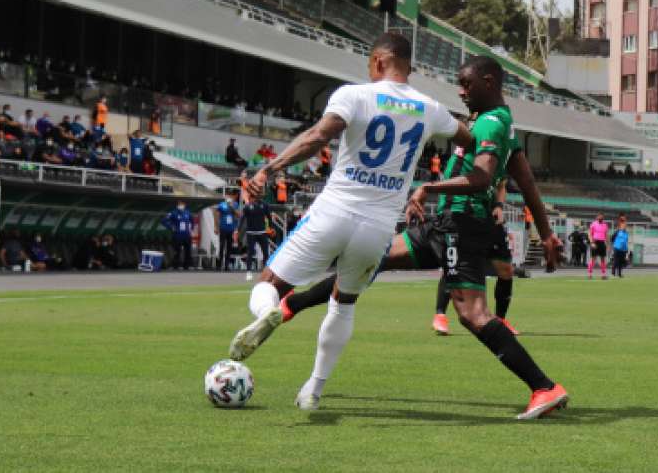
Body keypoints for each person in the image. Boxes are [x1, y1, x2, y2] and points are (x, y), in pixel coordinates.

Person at [270, 56, 569, 419]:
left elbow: (483, 179)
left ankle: (544, 387)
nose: (461, 91)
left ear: (489, 82)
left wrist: (428, 186)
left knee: (472, 314)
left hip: (463, 223)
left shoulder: (492, 123)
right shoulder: (500, 124)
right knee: (373, 258)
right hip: (444, 223)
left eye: (466, 84)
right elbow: (527, 181)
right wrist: (547, 233)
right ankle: (291, 306)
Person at [226, 32, 468, 411]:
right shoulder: (430, 108)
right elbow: (469, 140)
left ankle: (268, 312)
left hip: (335, 212)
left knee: (270, 283)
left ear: (377, 62)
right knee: (344, 303)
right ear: (409, 67)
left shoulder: (354, 95)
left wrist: (269, 169)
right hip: (378, 228)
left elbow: (319, 136)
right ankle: (313, 392)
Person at [430, 178, 520, 336]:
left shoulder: (501, 159)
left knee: (505, 270)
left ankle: (500, 320)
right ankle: (440, 315)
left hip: (490, 217)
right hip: (464, 214)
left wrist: (499, 206)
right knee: (453, 264)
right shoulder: (466, 159)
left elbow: (501, 186)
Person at [239, 195, 271, 271]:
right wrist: (238, 229)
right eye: (251, 198)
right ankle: (249, 271)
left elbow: (269, 217)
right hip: (251, 233)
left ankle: (266, 269)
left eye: (254, 197)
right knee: (250, 252)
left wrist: (271, 227)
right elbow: (242, 218)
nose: (252, 199)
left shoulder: (265, 205)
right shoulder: (247, 207)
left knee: (265, 252)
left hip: (262, 232)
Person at [163, 201, 194, 270]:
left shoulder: (188, 212)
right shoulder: (173, 213)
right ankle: (175, 265)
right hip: (177, 235)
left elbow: (192, 221)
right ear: (177, 205)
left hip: (187, 235)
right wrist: (171, 227)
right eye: (180, 204)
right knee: (177, 251)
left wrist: (191, 229)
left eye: (182, 204)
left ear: (185, 205)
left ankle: (187, 266)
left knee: (188, 251)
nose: (181, 206)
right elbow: (164, 221)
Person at [215, 194, 241, 271]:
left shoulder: (235, 204)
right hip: (223, 228)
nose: (229, 198)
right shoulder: (221, 205)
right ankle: (219, 265)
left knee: (229, 247)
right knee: (222, 246)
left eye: (230, 196)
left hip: (231, 229)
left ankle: (227, 265)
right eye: (227, 196)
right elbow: (216, 214)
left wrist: (232, 207)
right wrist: (216, 226)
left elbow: (238, 215)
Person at [588, 213, 609, 280]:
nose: (600, 217)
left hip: (602, 242)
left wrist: (607, 244)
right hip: (595, 242)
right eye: (599, 216)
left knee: (603, 259)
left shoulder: (605, 225)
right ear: (597, 217)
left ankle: (603, 275)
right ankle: (590, 274)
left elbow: (606, 235)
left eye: (602, 216)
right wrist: (592, 242)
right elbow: (590, 234)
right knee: (593, 259)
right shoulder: (593, 224)